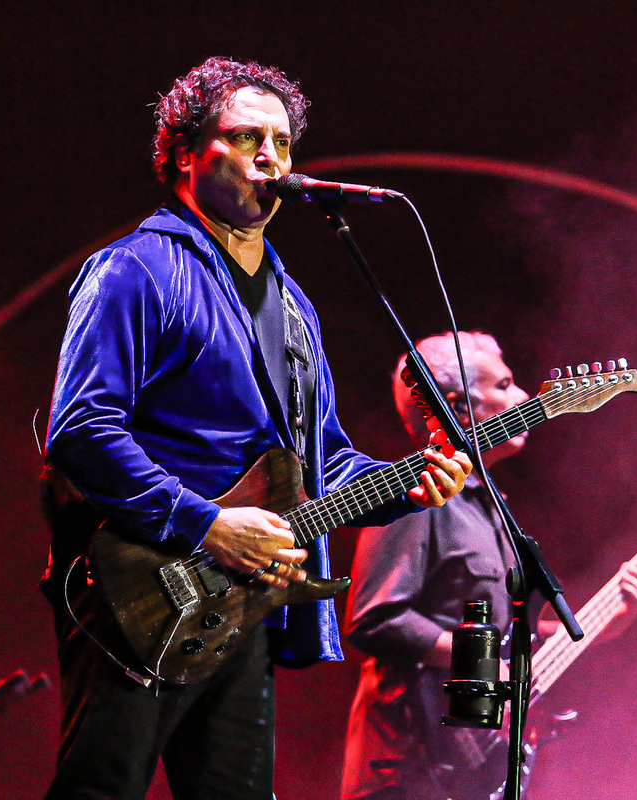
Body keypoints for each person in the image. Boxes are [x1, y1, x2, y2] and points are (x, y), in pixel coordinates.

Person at [40, 57, 472, 800]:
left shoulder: (295, 308)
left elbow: (323, 460)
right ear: (185, 154)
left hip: (240, 608)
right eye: (246, 138)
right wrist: (207, 525)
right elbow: (81, 429)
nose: (270, 156)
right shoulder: (134, 271)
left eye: (282, 141)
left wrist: (409, 485)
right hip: (137, 595)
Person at [341, 331, 637, 800]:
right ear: (458, 408)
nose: (524, 396)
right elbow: (374, 619)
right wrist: (484, 663)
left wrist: (603, 624)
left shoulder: (492, 508)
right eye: (505, 385)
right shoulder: (416, 494)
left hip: (472, 767)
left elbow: (507, 643)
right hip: (408, 768)